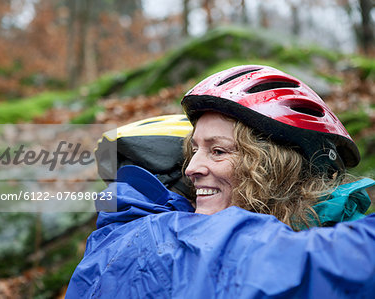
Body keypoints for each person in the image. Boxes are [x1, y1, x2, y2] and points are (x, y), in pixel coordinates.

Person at [65, 65, 374, 298]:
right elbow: (325, 265)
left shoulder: (121, 235)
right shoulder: (158, 242)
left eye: (217, 151)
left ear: (277, 169)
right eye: (194, 151)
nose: (191, 168)